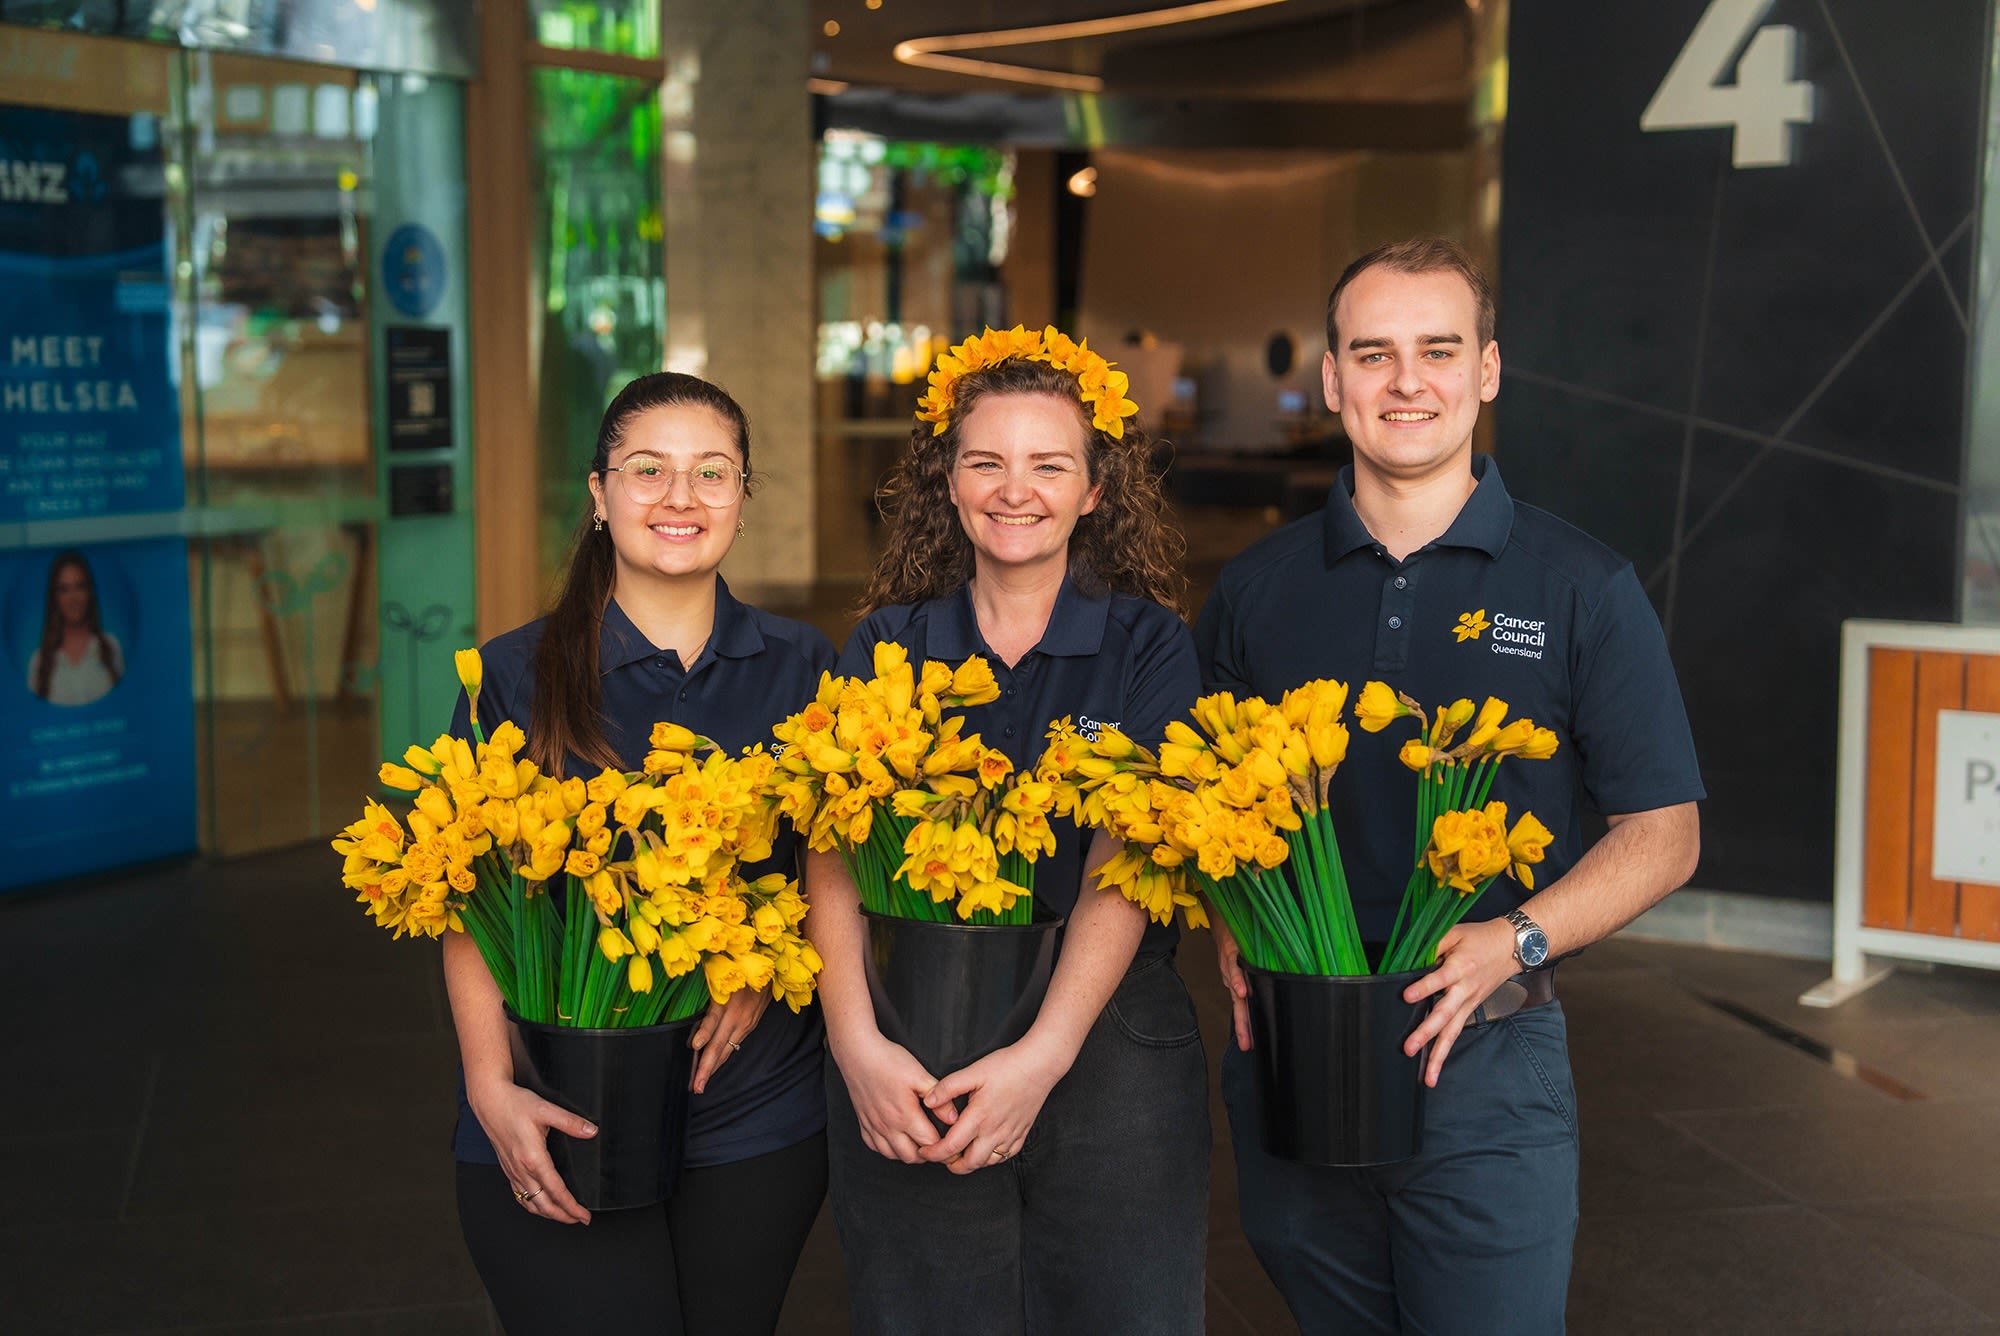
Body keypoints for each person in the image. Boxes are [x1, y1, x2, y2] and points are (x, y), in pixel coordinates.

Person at [1195, 237, 1704, 1334]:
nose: (1404, 381)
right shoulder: (1253, 589)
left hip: (1488, 1055)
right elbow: (1206, 810)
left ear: (1485, 369)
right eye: (1372, 354)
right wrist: (1230, 923)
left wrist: (1511, 939)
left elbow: (1662, 835)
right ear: (1331, 379)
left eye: (1436, 349)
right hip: (1293, 1047)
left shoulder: (1582, 586)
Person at [807, 329, 1209, 1335]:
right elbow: (832, 842)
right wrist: (855, 1044)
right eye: (985, 460)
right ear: (947, 481)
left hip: (1103, 1034)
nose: (1013, 488)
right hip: (913, 1039)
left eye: (1048, 464)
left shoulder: (1146, 642)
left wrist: (1045, 1052)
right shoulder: (890, 641)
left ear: (1094, 492)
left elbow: (1131, 856)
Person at [443, 373, 835, 1336]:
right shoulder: (512, 673)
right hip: (560, 1101)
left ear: (744, 500)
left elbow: (831, 877)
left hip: (757, 1109)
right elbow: (464, 897)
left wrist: (766, 971)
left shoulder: (808, 668)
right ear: (597, 493)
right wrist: (491, 1087)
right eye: (647, 470)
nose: (681, 499)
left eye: (713, 474)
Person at [27, 549, 123, 706]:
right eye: (64, 589)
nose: (73, 598)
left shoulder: (111, 647)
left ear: (89, 592)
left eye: (80, 586)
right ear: (55, 598)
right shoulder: (38, 662)